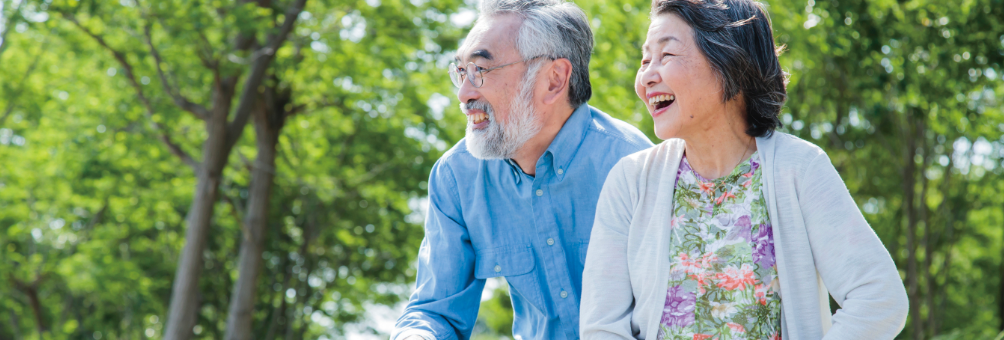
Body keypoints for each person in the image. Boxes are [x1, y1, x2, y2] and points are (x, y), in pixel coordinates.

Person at [579, 0, 908, 339]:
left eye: (667, 56)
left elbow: (878, 297)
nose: (647, 75)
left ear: (729, 62)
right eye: (645, 60)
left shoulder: (800, 169)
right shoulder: (629, 182)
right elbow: (602, 327)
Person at [392, 0, 654, 339]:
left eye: (481, 71)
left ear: (554, 80)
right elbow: (434, 312)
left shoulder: (636, 167)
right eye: (461, 71)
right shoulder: (457, 177)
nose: (464, 93)